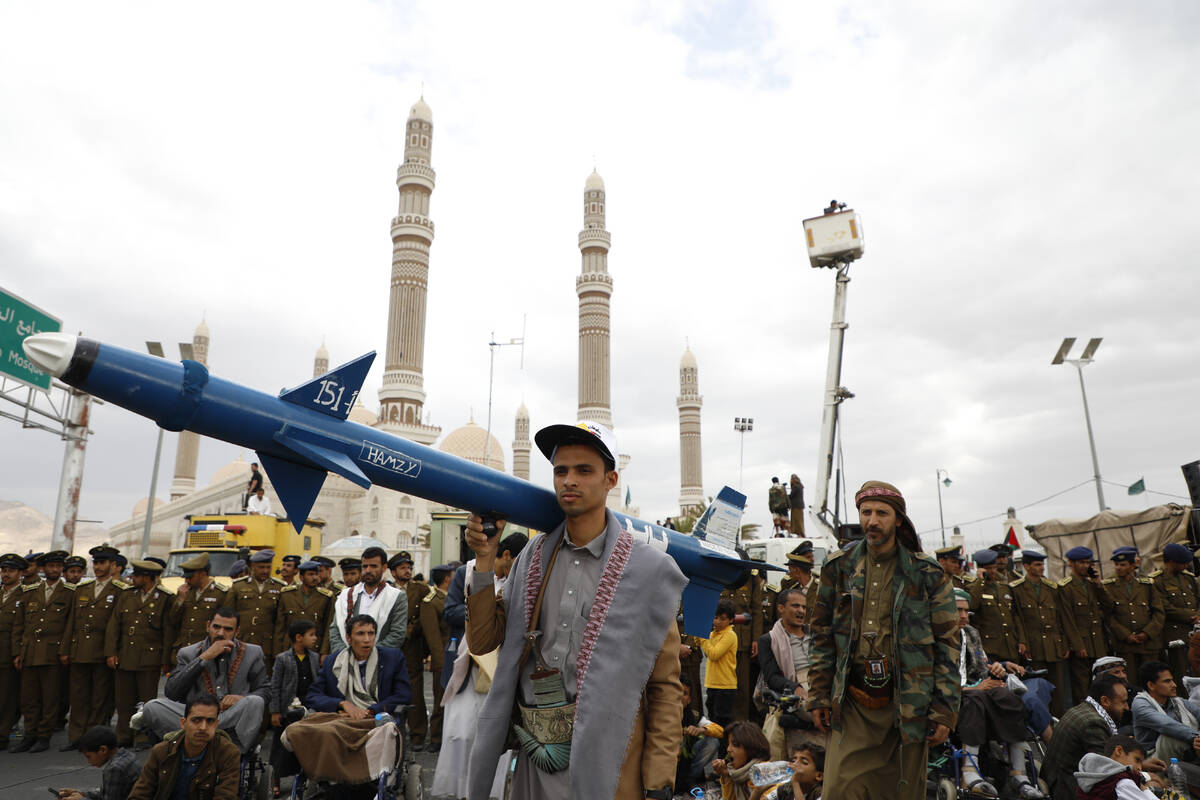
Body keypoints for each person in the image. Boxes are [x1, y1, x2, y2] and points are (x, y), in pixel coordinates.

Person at [463, 420, 685, 800]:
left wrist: (658, 781)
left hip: (612, 764)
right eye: (561, 470)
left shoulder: (647, 571)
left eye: (584, 470)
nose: (569, 481)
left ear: (611, 479)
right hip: (538, 758)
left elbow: (665, 688)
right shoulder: (532, 558)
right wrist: (484, 561)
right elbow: (482, 641)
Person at [809, 480, 960, 800]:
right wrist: (819, 694)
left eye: (882, 513)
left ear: (899, 519)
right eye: (866, 512)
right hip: (853, 704)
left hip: (907, 705)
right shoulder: (839, 568)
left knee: (901, 791)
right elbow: (821, 635)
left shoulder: (927, 573)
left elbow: (948, 643)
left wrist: (944, 709)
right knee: (838, 790)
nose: (872, 521)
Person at [433, 534, 527, 800]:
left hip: (500, 667)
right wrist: (483, 608)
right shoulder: (466, 572)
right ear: (507, 554)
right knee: (461, 735)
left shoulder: (519, 580)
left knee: (495, 739)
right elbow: (449, 612)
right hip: (469, 665)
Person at [955, 588, 1045, 798]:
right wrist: (972, 688)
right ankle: (969, 771)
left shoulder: (970, 633)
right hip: (953, 692)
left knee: (1009, 698)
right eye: (957, 610)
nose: (963, 616)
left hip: (977, 686)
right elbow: (934, 676)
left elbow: (980, 666)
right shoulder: (936, 635)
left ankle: (1018, 773)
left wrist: (995, 669)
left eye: (966, 611)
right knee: (975, 699)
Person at [139, 607, 269, 752]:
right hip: (197, 718)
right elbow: (172, 692)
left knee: (255, 701)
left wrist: (242, 698)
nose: (220, 633)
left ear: (236, 632)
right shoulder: (188, 653)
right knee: (152, 706)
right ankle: (205, 740)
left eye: (228, 629)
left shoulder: (253, 652)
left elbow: (265, 690)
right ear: (208, 626)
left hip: (232, 718)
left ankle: (233, 751)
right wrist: (204, 658)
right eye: (216, 627)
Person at [62, 545, 126, 751]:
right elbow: (71, 622)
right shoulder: (83, 589)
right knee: (78, 697)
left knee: (100, 698)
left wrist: (111, 652)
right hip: (79, 650)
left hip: (101, 652)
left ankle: (94, 738)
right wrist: (65, 649)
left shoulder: (119, 590)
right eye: (96, 563)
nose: (98, 567)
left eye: (102, 563)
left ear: (112, 565)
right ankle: (76, 737)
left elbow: (117, 625)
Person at [105, 559, 174, 747]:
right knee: (124, 701)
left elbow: (168, 632)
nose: (132, 578)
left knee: (146, 702)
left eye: (136, 575)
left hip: (149, 657)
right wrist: (111, 652)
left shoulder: (165, 598)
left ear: (147, 578)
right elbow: (114, 625)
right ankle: (124, 735)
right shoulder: (127, 595)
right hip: (125, 654)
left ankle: (143, 735)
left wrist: (166, 659)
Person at [12, 549, 75, 752]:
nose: (54, 569)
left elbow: (69, 626)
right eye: (50, 566)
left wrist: (64, 651)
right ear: (43, 568)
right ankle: (29, 734)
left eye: (58, 566)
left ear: (61, 569)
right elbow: (20, 625)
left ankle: (43, 736)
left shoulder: (69, 593)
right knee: (28, 698)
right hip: (30, 652)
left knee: (50, 698)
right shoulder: (30, 592)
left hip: (52, 653)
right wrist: (18, 652)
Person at [127, 694, 241, 800]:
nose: (203, 727)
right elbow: (139, 794)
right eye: (196, 720)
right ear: (183, 723)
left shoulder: (228, 753)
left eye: (210, 721)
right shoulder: (161, 752)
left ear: (216, 724)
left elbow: (226, 796)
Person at [1042, 675, 1131, 800]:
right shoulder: (1093, 723)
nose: (1127, 707)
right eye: (1123, 702)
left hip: (1060, 779)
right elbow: (1106, 768)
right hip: (1067, 788)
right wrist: (1138, 768)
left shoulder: (1084, 709)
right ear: (1105, 701)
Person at [305, 614, 412, 717]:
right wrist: (342, 704)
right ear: (348, 638)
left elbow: (403, 695)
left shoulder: (392, 658)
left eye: (371, 633)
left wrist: (370, 711)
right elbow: (312, 696)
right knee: (295, 731)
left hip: (377, 719)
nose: (367, 640)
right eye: (360, 634)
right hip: (341, 718)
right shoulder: (333, 661)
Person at [1011, 549, 1073, 715]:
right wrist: (1023, 642)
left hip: (1054, 645)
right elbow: (1018, 618)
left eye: (1042, 564)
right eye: (1037, 565)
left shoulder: (1051, 588)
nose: (1042, 568)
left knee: (1058, 688)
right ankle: (1041, 721)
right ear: (1026, 566)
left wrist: (1065, 642)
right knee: (1038, 687)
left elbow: (1060, 618)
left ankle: (1059, 720)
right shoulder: (1017, 589)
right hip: (1034, 645)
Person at [268, 619, 321, 794]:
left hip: (306, 709)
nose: (315, 638)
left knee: (305, 744)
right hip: (286, 710)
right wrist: (275, 711)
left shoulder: (314, 657)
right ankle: (274, 779)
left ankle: (304, 778)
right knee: (280, 746)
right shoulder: (283, 659)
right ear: (298, 637)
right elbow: (275, 686)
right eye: (311, 635)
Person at [1100, 548, 1165, 684]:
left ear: (1132, 565)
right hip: (1125, 645)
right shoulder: (1108, 586)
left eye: (1122, 565)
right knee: (1129, 681)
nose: (1118, 568)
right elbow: (1108, 615)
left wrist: (1147, 633)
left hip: (1148, 644)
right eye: (1116, 565)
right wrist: (1125, 635)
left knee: (1152, 680)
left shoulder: (1146, 585)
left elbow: (1158, 612)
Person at [328, 546, 406, 653]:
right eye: (365, 566)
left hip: (380, 660)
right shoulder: (346, 595)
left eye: (373, 566)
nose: (368, 570)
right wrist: (344, 654)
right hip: (346, 660)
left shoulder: (396, 597)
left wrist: (368, 655)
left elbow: (397, 634)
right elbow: (335, 629)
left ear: (384, 567)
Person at [390, 550, 430, 749]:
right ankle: (392, 731)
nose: (407, 571)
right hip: (391, 647)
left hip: (413, 647)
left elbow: (427, 616)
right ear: (393, 572)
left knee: (415, 691)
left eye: (409, 567)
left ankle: (418, 733)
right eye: (402, 568)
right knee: (390, 688)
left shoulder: (420, 589)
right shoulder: (386, 589)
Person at [1060, 546, 1109, 704]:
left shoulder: (1091, 585)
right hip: (1082, 645)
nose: (1085, 566)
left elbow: (1109, 606)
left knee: (1101, 684)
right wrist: (1077, 644)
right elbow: (1067, 618)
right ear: (1071, 564)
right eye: (1081, 562)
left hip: (1097, 643)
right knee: (1082, 687)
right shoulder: (1066, 587)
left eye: (1088, 562)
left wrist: (1098, 584)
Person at [1130, 660, 1200, 762]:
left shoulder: (1178, 702)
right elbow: (1167, 726)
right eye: (1167, 681)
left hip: (1184, 754)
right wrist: (1197, 737)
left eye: (1172, 680)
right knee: (1170, 738)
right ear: (1151, 685)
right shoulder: (1140, 704)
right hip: (1152, 760)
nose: (1174, 685)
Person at [221, 549, 284, 661]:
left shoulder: (279, 587)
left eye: (268, 567)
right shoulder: (238, 586)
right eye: (261, 567)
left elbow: (280, 622)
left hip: (266, 644)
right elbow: (228, 615)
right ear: (253, 567)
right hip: (241, 641)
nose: (265, 571)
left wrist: (277, 649)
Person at [1151, 543, 1200, 682]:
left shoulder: (1188, 578)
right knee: (1181, 672)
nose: (1187, 565)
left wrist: (1198, 615)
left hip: (1195, 631)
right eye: (1183, 563)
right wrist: (1191, 616)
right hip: (1175, 634)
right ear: (1172, 562)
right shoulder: (1157, 580)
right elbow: (1164, 606)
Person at [969, 548, 1027, 664]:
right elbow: (972, 605)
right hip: (991, 648)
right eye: (988, 569)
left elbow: (1015, 616)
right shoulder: (974, 588)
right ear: (981, 569)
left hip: (1010, 646)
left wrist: (1022, 640)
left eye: (994, 567)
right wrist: (980, 580)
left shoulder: (1004, 588)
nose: (993, 571)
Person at [55, 725, 141, 800]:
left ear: (103, 750)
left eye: (89, 756)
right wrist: (80, 793)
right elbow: (107, 793)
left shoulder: (115, 768)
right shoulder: (127, 755)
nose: (89, 762)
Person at [168, 552, 226, 664]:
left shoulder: (220, 593)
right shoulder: (186, 592)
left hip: (206, 650)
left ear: (203, 574)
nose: (187, 581)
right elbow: (173, 621)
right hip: (184, 649)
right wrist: (180, 600)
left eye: (190, 577)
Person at [420, 563, 453, 753]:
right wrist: (440, 663)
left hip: (456, 655)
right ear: (447, 579)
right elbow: (433, 636)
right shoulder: (431, 601)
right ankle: (436, 737)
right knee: (440, 700)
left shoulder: (452, 598)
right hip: (443, 659)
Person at [274, 560, 334, 655]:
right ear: (301, 577)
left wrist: (324, 652)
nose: (314, 578)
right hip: (289, 648)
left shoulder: (325, 597)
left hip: (314, 649)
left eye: (316, 574)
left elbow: (328, 627)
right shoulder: (287, 594)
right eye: (310, 574)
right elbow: (280, 626)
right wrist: (277, 651)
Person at [1073, 734, 1158, 800]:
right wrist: (1145, 790)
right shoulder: (1122, 782)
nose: (1140, 768)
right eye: (1137, 760)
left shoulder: (1090, 775)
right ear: (1119, 751)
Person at [0, 553, 27, 750]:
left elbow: (24, 627)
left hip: (9, 653)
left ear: (19, 573)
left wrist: (18, 653)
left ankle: (2, 735)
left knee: (6, 698)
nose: (5, 574)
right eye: (3, 570)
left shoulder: (25, 595)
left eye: (10, 570)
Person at [677, 676, 723, 791]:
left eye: (684, 693)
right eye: (676, 691)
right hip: (664, 765)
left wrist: (701, 730)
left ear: (689, 700)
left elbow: (720, 731)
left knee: (712, 742)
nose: (679, 696)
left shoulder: (693, 716)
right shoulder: (658, 716)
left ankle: (690, 779)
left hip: (685, 764)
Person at [712, 720, 772, 800]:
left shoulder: (764, 773)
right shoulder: (738, 774)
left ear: (750, 749)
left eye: (735, 745)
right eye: (728, 744)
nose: (728, 749)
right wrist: (726, 776)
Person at [703, 600, 739, 729]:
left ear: (730, 620)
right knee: (713, 719)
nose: (717, 622)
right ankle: (718, 747)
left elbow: (714, 654)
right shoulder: (713, 634)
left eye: (722, 619)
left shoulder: (730, 635)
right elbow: (708, 652)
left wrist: (702, 638)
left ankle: (725, 747)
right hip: (712, 683)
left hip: (725, 686)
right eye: (715, 617)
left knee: (722, 721)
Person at [751, 742, 825, 800]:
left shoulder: (822, 794)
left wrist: (796, 783)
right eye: (794, 760)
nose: (795, 764)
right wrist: (757, 791)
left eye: (804, 762)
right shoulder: (786, 788)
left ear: (819, 776)